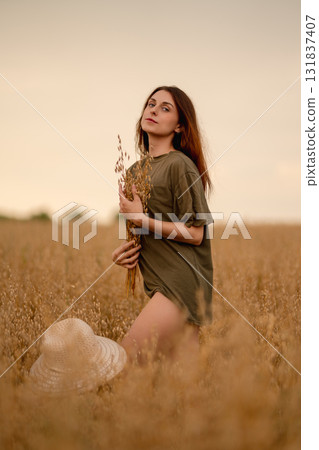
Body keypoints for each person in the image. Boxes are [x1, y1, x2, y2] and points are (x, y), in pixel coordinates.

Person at [112, 86, 214, 367]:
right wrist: (124, 254)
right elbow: (140, 233)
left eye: (165, 108)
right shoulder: (134, 172)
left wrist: (141, 219)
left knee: (124, 365)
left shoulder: (180, 165)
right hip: (158, 283)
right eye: (151, 104)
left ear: (180, 126)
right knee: (180, 392)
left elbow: (196, 233)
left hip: (180, 283)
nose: (154, 110)